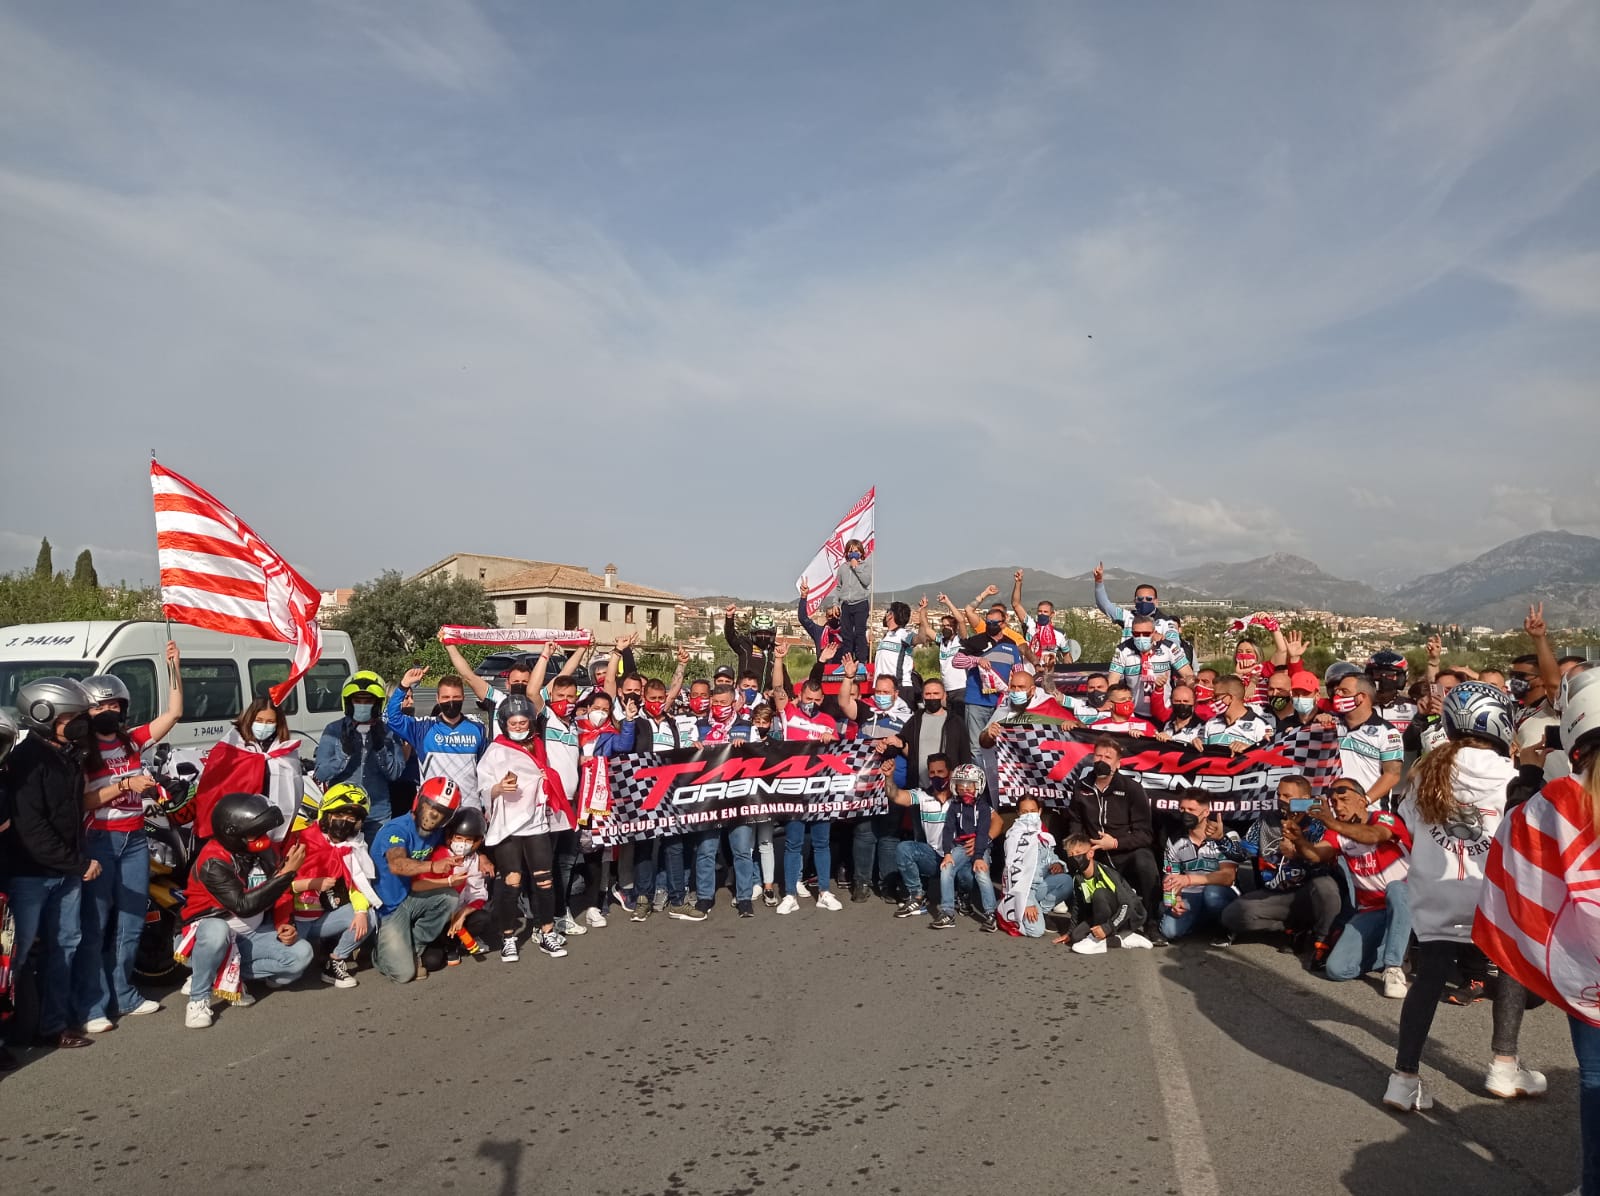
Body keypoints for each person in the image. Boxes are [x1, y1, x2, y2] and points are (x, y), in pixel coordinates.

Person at [1383, 680, 1545, 1113]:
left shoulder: (1427, 772)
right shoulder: (1510, 774)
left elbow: (1408, 827)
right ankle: (1504, 1065)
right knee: (1510, 967)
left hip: (1435, 893)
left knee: (1429, 978)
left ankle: (1403, 1078)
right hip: (1491, 893)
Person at [1476, 661, 1600, 1192]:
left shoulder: (1555, 801)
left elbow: (1516, 856)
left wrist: (1526, 780)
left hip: (1587, 970)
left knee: (1595, 1079)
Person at [75, 651, 183, 1032]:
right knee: (96, 926)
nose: (108, 711)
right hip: (99, 841)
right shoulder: (82, 751)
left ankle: (123, 994)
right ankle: (92, 1006)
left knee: (132, 921)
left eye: (114, 705)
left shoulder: (131, 742)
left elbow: (173, 714)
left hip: (135, 839)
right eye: (100, 706)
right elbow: (83, 802)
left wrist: (173, 667)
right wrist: (124, 785)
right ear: (86, 710)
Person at [2, 677, 98, 1049]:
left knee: (66, 946)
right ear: (43, 716)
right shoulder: (25, 761)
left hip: (65, 872)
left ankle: (53, 1026)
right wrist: (78, 864)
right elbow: (32, 829)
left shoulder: (68, 754)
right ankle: (12, 1031)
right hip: (30, 875)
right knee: (17, 954)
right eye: (70, 718)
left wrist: (73, 864)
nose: (79, 724)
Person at [176, 792, 312, 1028]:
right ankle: (198, 998)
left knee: (302, 955)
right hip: (203, 937)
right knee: (217, 930)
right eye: (254, 833)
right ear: (233, 833)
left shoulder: (266, 851)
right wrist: (287, 874)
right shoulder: (213, 861)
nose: (262, 838)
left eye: (263, 831)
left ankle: (220, 974)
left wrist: (283, 922)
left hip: (250, 935)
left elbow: (281, 893)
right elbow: (243, 905)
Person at [478, 696, 569, 959]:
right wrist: (497, 788)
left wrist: (547, 778)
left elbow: (549, 775)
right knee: (512, 881)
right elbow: (483, 785)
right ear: (504, 724)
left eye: (523, 722)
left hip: (536, 823)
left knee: (544, 880)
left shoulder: (538, 745)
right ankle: (508, 937)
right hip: (508, 825)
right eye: (513, 723)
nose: (518, 727)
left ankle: (547, 932)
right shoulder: (496, 750)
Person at [1304, 779, 1412, 996]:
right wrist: (1297, 841)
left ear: (1362, 801)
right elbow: (1316, 854)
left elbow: (1373, 836)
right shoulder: (1336, 832)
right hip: (1371, 910)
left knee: (1396, 888)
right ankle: (1398, 951)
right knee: (1336, 969)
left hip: (1409, 902)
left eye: (1344, 799)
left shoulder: (1383, 818)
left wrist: (1330, 821)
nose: (1338, 806)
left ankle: (1393, 967)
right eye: (1334, 802)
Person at [1216, 775, 1342, 959]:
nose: (1281, 799)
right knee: (1232, 915)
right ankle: (1293, 927)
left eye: (1287, 796)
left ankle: (1322, 941)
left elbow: (1324, 860)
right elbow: (1241, 854)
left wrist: (1298, 852)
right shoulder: (1266, 820)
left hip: (1309, 893)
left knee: (1326, 887)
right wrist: (1221, 839)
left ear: (1305, 798)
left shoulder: (1320, 822)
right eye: (1279, 794)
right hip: (1275, 894)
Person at [370, 776, 468, 982]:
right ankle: (379, 953)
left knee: (449, 898)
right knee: (404, 975)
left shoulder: (436, 833)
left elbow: (460, 840)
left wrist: (483, 858)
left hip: (412, 896)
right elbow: (397, 865)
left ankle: (414, 946)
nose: (433, 816)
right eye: (429, 806)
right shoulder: (396, 829)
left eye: (442, 813)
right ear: (418, 800)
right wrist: (432, 866)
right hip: (388, 907)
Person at [284, 783, 380, 989]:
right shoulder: (300, 839)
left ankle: (335, 961)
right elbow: (278, 885)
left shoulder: (353, 847)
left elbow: (358, 885)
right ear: (327, 815)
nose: (344, 822)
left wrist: (361, 912)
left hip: (321, 919)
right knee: (285, 977)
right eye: (339, 815)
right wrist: (311, 884)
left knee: (368, 915)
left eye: (351, 819)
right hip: (292, 919)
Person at [1064, 736, 1160, 940]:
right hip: (1095, 855)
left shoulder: (1132, 788)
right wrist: (1080, 846)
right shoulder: (1081, 787)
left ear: (1118, 764)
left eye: (1108, 757)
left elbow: (1145, 834)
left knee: (1145, 859)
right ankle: (1088, 918)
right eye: (1098, 756)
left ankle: (1152, 922)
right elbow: (1075, 822)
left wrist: (1115, 843)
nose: (1102, 760)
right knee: (1075, 857)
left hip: (1125, 853)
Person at [838, 670, 912, 901]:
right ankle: (862, 882)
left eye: (886, 692)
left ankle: (887, 884)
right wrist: (848, 677)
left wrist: (898, 743)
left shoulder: (909, 717)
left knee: (889, 835)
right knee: (864, 833)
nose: (881, 695)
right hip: (866, 783)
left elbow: (913, 751)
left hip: (895, 782)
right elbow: (844, 702)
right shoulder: (866, 711)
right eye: (878, 691)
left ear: (896, 693)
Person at [191, 695, 306, 841]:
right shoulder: (231, 747)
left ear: (278, 723)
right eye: (259, 720)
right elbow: (213, 788)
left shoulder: (286, 751)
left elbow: (293, 791)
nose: (264, 725)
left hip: (269, 821)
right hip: (235, 823)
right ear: (250, 719)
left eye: (270, 722)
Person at [314, 671, 406, 842]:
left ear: (377, 703)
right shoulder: (333, 730)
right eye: (358, 700)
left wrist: (381, 749)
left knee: (377, 858)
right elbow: (321, 773)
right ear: (349, 703)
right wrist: (343, 754)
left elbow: (395, 774)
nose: (362, 705)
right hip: (342, 814)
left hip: (377, 815)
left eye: (368, 701)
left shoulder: (389, 732)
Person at [386, 667, 489, 809]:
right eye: (446, 697)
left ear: (463, 698)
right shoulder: (422, 727)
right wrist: (404, 685)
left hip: (469, 808)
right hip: (434, 809)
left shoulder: (478, 728)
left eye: (456, 697)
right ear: (438, 699)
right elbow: (393, 718)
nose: (451, 702)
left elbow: (485, 768)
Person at [1048, 834, 1151, 953]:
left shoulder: (1106, 873)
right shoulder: (1077, 878)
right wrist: (1070, 933)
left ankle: (1099, 940)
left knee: (1099, 893)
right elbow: (1077, 907)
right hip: (1102, 915)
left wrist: (1108, 927)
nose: (1074, 857)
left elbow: (1126, 905)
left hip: (1128, 916)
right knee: (1076, 937)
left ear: (1090, 853)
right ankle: (1123, 939)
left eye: (1078, 853)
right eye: (1070, 855)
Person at [1158, 794, 1239, 941]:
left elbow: (1228, 877)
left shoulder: (1227, 835)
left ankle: (1227, 927)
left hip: (1221, 891)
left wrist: (1188, 879)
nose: (1185, 814)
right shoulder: (1174, 839)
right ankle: (1206, 921)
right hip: (1191, 893)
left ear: (1206, 812)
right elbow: (1170, 875)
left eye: (1191, 809)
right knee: (1169, 931)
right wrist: (1175, 899)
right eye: (1182, 809)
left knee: (1212, 894)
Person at [881, 754, 952, 919]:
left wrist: (981, 841)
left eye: (940, 772)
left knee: (974, 863)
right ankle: (917, 896)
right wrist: (889, 776)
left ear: (949, 772)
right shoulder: (923, 795)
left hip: (958, 857)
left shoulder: (962, 796)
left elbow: (995, 821)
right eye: (932, 773)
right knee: (904, 848)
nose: (936, 776)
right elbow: (895, 795)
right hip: (934, 857)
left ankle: (964, 896)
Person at [931, 763, 996, 931]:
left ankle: (991, 914)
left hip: (981, 847)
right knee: (946, 868)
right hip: (960, 846)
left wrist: (979, 857)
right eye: (961, 785)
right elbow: (948, 830)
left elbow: (983, 833)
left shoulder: (983, 807)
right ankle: (947, 912)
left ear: (978, 785)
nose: (965, 789)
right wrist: (947, 853)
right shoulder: (954, 806)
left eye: (969, 785)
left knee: (982, 873)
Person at [428, 806, 494, 965]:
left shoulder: (475, 859)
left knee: (482, 917)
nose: (462, 844)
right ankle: (443, 942)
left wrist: (462, 915)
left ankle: (455, 944)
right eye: (458, 838)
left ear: (476, 842)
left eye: (468, 840)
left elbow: (478, 894)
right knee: (432, 962)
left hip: (459, 914)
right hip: (438, 916)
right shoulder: (439, 855)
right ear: (450, 837)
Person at [1330, 672, 1404, 811]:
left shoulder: (1387, 732)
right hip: (1333, 810)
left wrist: (1365, 801)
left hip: (1370, 812)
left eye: (1344, 691)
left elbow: (1392, 775)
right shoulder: (1330, 724)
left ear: (1361, 697)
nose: (1337, 694)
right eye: (1337, 691)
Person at [998, 795, 1062, 938]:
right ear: (1018, 813)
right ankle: (1011, 907)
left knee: (1066, 881)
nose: (1029, 815)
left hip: (1039, 884)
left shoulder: (1042, 832)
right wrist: (1027, 903)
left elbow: (1050, 854)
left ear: (1039, 811)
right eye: (1025, 812)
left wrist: (1057, 863)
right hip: (1022, 889)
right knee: (1036, 931)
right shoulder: (1014, 837)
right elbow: (1013, 872)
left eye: (1033, 811)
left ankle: (1042, 911)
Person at [1109, 614, 1192, 722]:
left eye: (1146, 634)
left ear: (1153, 632)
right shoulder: (1122, 650)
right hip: (1135, 712)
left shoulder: (1169, 647)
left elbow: (1188, 674)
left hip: (1166, 710)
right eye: (1136, 634)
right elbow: (1112, 682)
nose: (1141, 637)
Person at [1092, 562, 1181, 650]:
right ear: (1135, 601)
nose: (1144, 601)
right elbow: (1105, 605)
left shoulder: (1167, 623)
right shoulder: (1127, 616)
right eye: (1140, 599)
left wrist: (1162, 641)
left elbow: (1175, 645)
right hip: (1128, 658)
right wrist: (1098, 581)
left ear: (1156, 601)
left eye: (1149, 599)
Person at [1199, 676, 1274, 753]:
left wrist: (1248, 749)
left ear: (1230, 698)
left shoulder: (1261, 725)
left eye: (1216, 696)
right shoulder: (1211, 722)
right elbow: (1203, 754)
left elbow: (1267, 756)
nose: (1212, 699)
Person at [874, 600, 924, 708]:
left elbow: (921, 639)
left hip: (900, 688)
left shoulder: (905, 634)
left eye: (887, 612)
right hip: (883, 689)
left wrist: (922, 622)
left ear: (891, 615)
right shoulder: (886, 636)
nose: (885, 615)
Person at [834, 539, 873, 662]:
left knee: (860, 633)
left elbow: (866, 581)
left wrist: (856, 567)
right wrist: (836, 603)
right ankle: (847, 661)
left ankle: (861, 661)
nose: (853, 554)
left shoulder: (865, 566)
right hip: (846, 604)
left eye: (856, 551)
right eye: (851, 551)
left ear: (861, 553)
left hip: (860, 603)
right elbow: (839, 587)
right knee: (846, 635)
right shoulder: (843, 568)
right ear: (846, 553)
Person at [1086, 683, 1158, 737]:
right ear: (1110, 704)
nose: (1128, 702)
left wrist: (1143, 737)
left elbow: (1155, 748)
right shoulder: (1096, 727)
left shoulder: (1145, 725)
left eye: (1129, 699)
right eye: (1123, 699)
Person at [1157, 682, 1205, 746]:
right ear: (1171, 702)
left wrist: (1171, 742)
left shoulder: (1202, 727)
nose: (1182, 704)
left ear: (1194, 703)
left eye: (1186, 701)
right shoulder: (1167, 724)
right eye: (1177, 701)